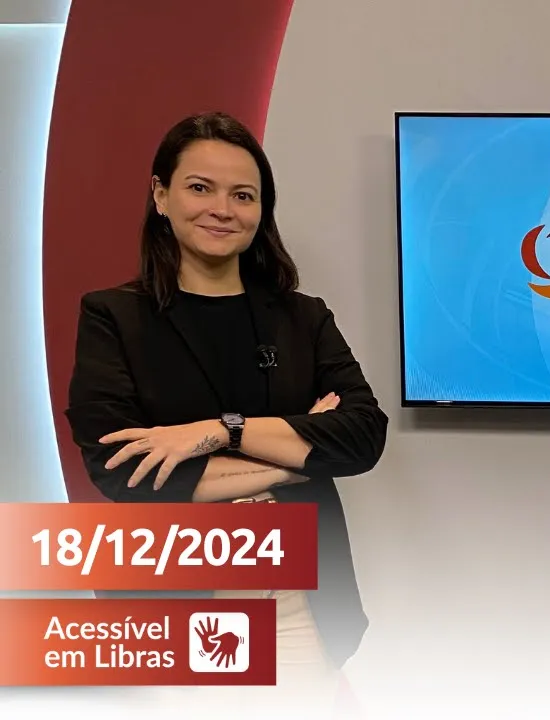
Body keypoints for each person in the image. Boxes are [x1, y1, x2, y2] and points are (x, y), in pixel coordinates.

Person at [65, 112, 387, 705]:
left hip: (297, 607)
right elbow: (126, 472)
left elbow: (363, 436)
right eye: (200, 188)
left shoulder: (302, 318)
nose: (222, 209)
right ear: (161, 195)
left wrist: (215, 433)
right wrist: (298, 457)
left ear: (261, 210)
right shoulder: (114, 318)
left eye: (243, 195)